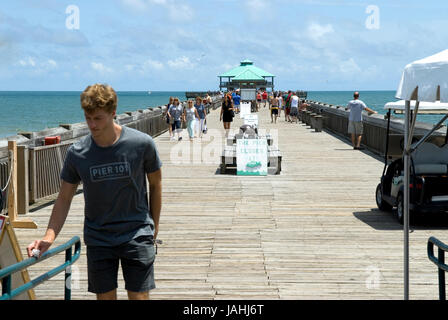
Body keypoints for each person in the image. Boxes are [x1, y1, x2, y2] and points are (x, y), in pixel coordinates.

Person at [27, 84, 162, 300]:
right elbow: (63, 198)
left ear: (113, 113)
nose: (92, 124)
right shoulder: (78, 153)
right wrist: (49, 237)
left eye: (98, 118)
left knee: (139, 297)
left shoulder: (141, 144)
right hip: (99, 238)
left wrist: (153, 226)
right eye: (88, 118)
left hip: (137, 233)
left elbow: (155, 185)